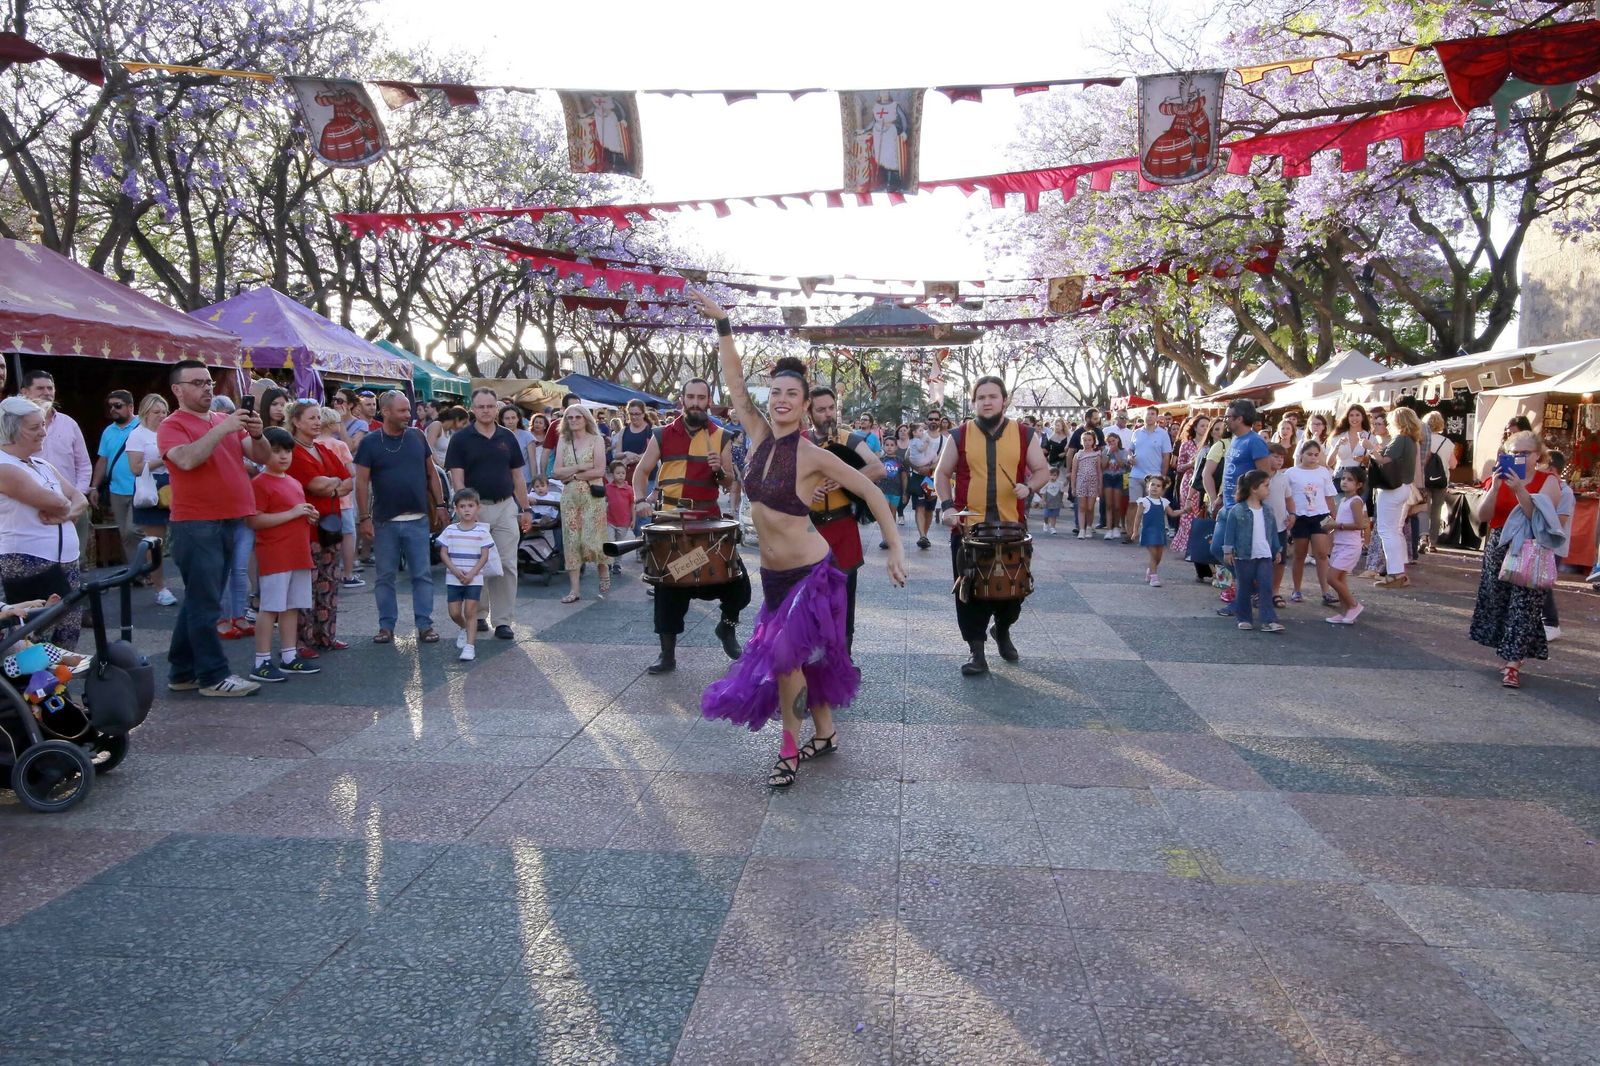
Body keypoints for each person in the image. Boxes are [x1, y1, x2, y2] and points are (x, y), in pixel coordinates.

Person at [691, 291, 905, 790]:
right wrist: (724, 325)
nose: (781, 399)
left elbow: (873, 490)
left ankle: (788, 748)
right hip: (773, 578)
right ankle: (825, 733)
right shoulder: (758, 437)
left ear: (806, 405)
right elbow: (734, 383)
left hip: (812, 575)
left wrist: (895, 548)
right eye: (776, 392)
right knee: (808, 658)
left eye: (792, 394)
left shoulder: (813, 455)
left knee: (786, 658)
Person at [157, 359, 270, 698]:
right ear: (177, 390)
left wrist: (257, 432)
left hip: (227, 519)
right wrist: (222, 429)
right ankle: (213, 676)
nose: (206, 388)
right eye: (197, 383)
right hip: (196, 523)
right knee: (206, 604)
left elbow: (262, 456)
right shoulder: (172, 425)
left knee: (199, 601)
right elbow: (187, 460)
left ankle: (182, 671)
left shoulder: (224, 420)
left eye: (208, 382)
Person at [630, 379, 750, 672]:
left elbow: (728, 482)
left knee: (737, 583)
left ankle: (726, 628)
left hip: (708, 522)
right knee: (668, 587)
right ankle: (667, 654)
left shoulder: (720, 435)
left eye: (701, 397)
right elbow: (641, 471)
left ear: (708, 401)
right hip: (671, 521)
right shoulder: (662, 434)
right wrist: (639, 500)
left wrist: (719, 470)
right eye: (691, 397)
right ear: (682, 399)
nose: (696, 402)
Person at [936, 377, 1051, 676]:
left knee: (1014, 592)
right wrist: (947, 506)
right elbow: (942, 473)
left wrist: (1030, 487)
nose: (986, 402)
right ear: (974, 401)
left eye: (992, 396)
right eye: (981, 397)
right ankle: (976, 651)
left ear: (1004, 400)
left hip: (1011, 530)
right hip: (969, 530)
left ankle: (1002, 629)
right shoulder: (959, 435)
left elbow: (1042, 470)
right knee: (969, 591)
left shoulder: (1024, 434)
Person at [1469, 430, 1564, 689]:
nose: (1519, 457)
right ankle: (1510, 654)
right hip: (1499, 545)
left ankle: (1513, 664)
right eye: (1514, 453)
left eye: (1525, 453)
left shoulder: (1548, 481)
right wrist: (1495, 487)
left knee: (1524, 605)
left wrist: (1520, 489)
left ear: (1537, 455)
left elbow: (1538, 517)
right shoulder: (1498, 478)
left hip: (1531, 547)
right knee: (1498, 602)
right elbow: (1483, 516)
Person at [356, 390, 444, 645]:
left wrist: (441, 504)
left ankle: (425, 625)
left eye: (408, 410)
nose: (408, 415)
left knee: (422, 575)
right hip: (385, 522)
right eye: (403, 410)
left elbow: (432, 473)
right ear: (386, 412)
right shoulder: (370, 442)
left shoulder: (417, 436)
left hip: (418, 519)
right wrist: (364, 517)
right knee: (385, 577)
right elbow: (361, 483)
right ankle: (386, 626)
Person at [0, 396, 87, 651]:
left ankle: (63, 679)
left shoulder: (42, 464)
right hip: (29, 562)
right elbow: (57, 501)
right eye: (34, 427)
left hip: (66, 561)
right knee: (36, 643)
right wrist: (65, 507)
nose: (44, 432)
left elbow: (80, 499)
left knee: (67, 636)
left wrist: (66, 514)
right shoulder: (4, 466)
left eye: (43, 425)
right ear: (12, 431)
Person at [445, 388, 533, 640]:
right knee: (476, 563)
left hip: (505, 506)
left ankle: (503, 620)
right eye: (481, 406)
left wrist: (525, 508)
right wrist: (466, 510)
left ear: (497, 408)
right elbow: (457, 479)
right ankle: (479, 614)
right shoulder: (461, 439)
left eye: (490, 406)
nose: (486, 410)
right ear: (473, 409)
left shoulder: (507, 437)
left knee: (506, 563)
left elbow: (517, 476)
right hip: (475, 509)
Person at [806, 387, 883, 653]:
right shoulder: (800, 441)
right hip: (808, 529)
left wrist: (844, 478)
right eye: (821, 409)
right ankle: (809, 656)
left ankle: (843, 657)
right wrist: (805, 491)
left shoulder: (849, 439)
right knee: (807, 596)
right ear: (809, 412)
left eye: (831, 408)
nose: (828, 414)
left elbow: (878, 468)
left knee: (843, 596)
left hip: (842, 527)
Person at [246, 428, 322, 684]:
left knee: (291, 606)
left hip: (297, 553)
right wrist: (293, 513)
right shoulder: (260, 483)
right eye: (276, 451)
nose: (283, 456)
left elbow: (294, 513)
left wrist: (308, 515)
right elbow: (254, 520)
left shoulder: (293, 482)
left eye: (287, 451)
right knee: (270, 607)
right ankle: (261, 660)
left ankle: (289, 655)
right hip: (275, 554)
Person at [284, 401, 351, 655]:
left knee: (329, 582)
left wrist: (330, 486)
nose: (317, 422)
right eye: (311, 418)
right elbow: (316, 484)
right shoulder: (293, 451)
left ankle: (326, 635)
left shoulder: (323, 449)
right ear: (296, 421)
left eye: (318, 418)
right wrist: (334, 484)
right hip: (307, 527)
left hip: (330, 526)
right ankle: (303, 640)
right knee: (306, 586)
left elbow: (348, 481)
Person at [21, 371, 91, 560]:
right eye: (40, 388)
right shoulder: (17, 427)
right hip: (35, 507)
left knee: (75, 558)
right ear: (25, 392)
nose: (47, 392)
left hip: (72, 502)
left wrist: (78, 496)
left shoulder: (69, 424)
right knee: (42, 560)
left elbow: (84, 464)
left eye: (50, 388)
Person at [552, 404, 610, 604]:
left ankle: (603, 572)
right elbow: (556, 472)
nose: (574, 420)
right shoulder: (563, 440)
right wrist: (581, 466)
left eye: (578, 417)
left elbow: (599, 470)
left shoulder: (596, 439)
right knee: (571, 541)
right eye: (570, 417)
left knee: (593, 538)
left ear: (586, 419)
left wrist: (573, 475)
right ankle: (574, 590)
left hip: (592, 497)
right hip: (569, 498)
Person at [125, 394, 176, 605]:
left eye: (164, 412)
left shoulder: (170, 431)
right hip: (152, 487)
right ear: (145, 413)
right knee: (156, 542)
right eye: (156, 412)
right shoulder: (137, 435)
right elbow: (135, 468)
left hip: (174, 485)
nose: (161, 416)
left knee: (183, 536)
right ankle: (160, 587)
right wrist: (164, 459)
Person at [435, 487, 496, 662]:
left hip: (474, 579)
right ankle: (464, 628)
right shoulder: (450, 530)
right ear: (456, 509)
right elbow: (443, 553)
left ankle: (470, 646)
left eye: (470, 506)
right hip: (453, 578)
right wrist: (455, 570)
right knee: (454, 612)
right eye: (462, 506)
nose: (467, 510)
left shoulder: (482, 532)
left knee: (470, 611)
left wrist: (472, 573)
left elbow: (484, 556)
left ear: (478, 507)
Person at [1221, 469, 1284, 633]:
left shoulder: (1268, 510)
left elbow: (1273, 532)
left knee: (1266, 586)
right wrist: (1228, 551)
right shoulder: (1237, 510)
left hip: (1264, 554)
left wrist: (1277, 550)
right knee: (1244, 587)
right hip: (1243, 555)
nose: (1269, 489)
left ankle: (1268, 620)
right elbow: (1230, 532)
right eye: (1266, 485)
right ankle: (1244, 618)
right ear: (1254, 488)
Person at [1371, 406, 1422, 589]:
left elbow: (1383, 460)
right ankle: (1400, 572)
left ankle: (1395, 573)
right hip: (1404, 488)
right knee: (1396, 530)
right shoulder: (1411, 440)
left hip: (1392, 489)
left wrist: (1370, 449)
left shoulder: (1401, 439)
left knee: (1386, 531)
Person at [1285, 440, 1339, 606]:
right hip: (1300, 516)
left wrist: (1333, 517)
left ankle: (1326, 591)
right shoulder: (1291, 473)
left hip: (1320, 515)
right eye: (1309, 454)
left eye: (1316, 455)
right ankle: (1296, 590)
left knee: (1322, 554)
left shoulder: (1323, 472)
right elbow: (1286, 497)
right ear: (1301, 454)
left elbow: (1329, 496)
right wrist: (1289, 516)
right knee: (1299, 554)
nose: (1313, 457)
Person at [92, 389, 141, 569]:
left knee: (133, 531)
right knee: (125, 535)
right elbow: (103, 460)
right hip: (116, 491)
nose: (113, 409)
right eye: (110, 406)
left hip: (139, 489)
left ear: (131, 407)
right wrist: (94, 487)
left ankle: (146, 568)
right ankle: (136, 572)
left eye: (118, 406)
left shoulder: (143, 425)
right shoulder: (108, 431)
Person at [319, 406, 363, 589]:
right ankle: (348, 574)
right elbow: (350, 472)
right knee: (348, 534)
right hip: (342, 498)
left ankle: (325, 574)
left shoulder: (312, 444)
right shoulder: (339, 445)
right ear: (331, 424)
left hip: (321, 498)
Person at [1123, 407, 1174, 543]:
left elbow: (1166, 456)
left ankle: (1152, 534)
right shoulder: (1137, 432)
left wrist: (1163, 477)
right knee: (1133, 504)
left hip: (1154, 476)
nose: (1150, 416)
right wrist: (1129, 457)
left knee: (1153, 506)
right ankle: (1130, 534)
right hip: (1136, 474)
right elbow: (1130, 450)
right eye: (1148, 414)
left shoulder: (1163, 434)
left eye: (1152, 414)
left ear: (1157, 417)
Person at [1325, 467, 1369, 624]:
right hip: (1340, 544)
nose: (1344, 482)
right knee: (1340, 579)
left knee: (1331, 578)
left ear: (1359, 485)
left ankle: (1353, 605)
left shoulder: (1356, 502)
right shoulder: (1343, 500)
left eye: (1350, 480)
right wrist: (1331, 526)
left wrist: (1338, 525)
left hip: (1350, 546)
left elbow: (1360, 524)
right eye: (1343, 478)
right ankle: (1345, 612)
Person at [1170, 415, 1212, 580]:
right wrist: (1191, 464)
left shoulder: (1211, 445)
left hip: (1206, 484)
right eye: (1202, 425)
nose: (1205, 428)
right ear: (1195, 427)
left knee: (1201, 516)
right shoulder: (1186, 444)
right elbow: (1178, 466)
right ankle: (1188, 548)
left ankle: (1199, 549)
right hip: (1189, 482)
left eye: (1207, 425)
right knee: (1188, 516)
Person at [1063, 408, 1105, 535]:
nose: (1097, 421)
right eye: (1095, 418)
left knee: (1090, 505)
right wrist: (1069, 470)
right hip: (1080, 472)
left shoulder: (1099, 432)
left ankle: (1089, 526)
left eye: (1098, 418)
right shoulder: (1078, 433)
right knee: (1080, 503)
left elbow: (1102, 451)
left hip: (1093, 474)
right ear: (1087, 418)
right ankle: (1080, 526)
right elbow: (1070, 452)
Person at [1135, 475, 1181, 586]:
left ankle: (1150, 571)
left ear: (1163, 489)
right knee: (1153, 555)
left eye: (1158, 486)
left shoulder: (1163, 502)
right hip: (1148, 533)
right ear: (1148, 486)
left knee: (1158, 557)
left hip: (1160, 533)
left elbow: (1172, 513)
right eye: (1153, 485)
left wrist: (1184, 511)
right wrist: (1135, 531)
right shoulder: (1144, 501)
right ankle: (1154, 578)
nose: (1155, 487)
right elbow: (1138, 516)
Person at [1421, 411, 1456, 553]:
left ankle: (1423, 537)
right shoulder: (1447, 442)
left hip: (1423, 480)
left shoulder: (1422, 440)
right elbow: (1453, 464)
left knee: (1423, 509)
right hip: (1441, 482)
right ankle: (1433, 542)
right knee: (1436, 512)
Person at [905, 420, 941, 549]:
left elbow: (943, 459)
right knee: (919, 507)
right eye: (931, 418)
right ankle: (922, 536)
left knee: (929, 509)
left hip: (931, 479)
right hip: (918, 477)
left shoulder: (944, 439)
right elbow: (907, 457)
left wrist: (929, 468)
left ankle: (925, 535)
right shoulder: (919, 436)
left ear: (940, 420)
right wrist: (918, 468)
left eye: (936, 418)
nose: (933, 421)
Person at [1266, 443, 1294, 606]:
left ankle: (1275, 591)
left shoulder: (1283, 478)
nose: (1279, 460)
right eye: (1275, 456)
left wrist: (1293, 514)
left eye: (1282, 457)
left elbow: (1288, 499)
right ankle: (1258, 591)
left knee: (1280, 561)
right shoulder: (1258, 476)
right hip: (1261, 527)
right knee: (1260, 560)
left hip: (1280, 525)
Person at [1072, 428, 1105, 539]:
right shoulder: (1078, 455)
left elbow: (1099, 471)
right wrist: (1073, 486)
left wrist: (1100, 485)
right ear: (1081, 441)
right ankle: (1082, 529)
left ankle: (1089, 526)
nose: (1087, 442)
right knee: (1082, 507)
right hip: (1081, 482)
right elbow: (1074, 471)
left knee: (1090, 507)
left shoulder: (1097, 455)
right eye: (1085, 440)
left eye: (1089, 440)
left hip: (1093, 483)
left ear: (1093, 441)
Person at [604, 461, 634, 574]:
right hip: (610, 521)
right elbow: (604, 501)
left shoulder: (629, 489)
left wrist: (633, 519)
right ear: (612, 474)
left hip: (624, 522)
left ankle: (617, 564)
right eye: (618, 473)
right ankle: (609, 561)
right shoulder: (608, 487)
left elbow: (632, 505)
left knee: (620, 544)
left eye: (623, 473)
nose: (621, 475)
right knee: (610, 541)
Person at [1327, 404, 1372, 473]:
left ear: (1363, 417)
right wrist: (1337, 446)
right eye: (1351, 415)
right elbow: (1329, 463)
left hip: (1359, 476)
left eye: (1357, 415)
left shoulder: (1370, 437)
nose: (1354, 418)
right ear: (1347, 418)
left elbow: (1375, 462)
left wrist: (1364, 459)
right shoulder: (1338, 436)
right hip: (1340, 475)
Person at [1100, 432, 1127, 541]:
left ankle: (1116, 527)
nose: (1112, 443)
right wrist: (1108, 453)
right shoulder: (1105, 451)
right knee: (1109, 505)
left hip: (1118, 477)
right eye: (1109, 442)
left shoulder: (1123, 451)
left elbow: (1122, 465)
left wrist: (1116, 453)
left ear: (1117, 440)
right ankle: (1109, 529)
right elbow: (1102, 466)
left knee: (1117, 505)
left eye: (1113, 441)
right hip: (1107, 477)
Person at [426, 405, 467, 469]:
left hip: (443, 469)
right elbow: (429, 446)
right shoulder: (437, 425)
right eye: (463, 423)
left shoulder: (449, 432)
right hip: (435, 468)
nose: (463, 427)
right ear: (457, 419)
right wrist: (440, 464)